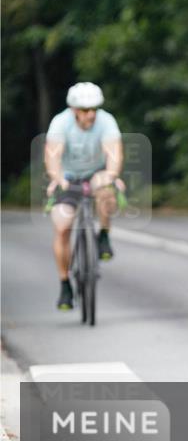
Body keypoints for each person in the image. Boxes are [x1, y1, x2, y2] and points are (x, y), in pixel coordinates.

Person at [44, 82, 123, 310]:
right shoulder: (60, 123)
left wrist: (111, 174)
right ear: (74, 110)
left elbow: (114, 152)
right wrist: (58, 179)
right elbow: (53, 156)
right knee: (62, 226)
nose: (91, 115)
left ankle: (104, 235)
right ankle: (65, 284)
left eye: (94, 109)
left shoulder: (106, 121)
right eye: (85, 110)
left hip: (96, 172)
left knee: (107, 192)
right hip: (68, 175)